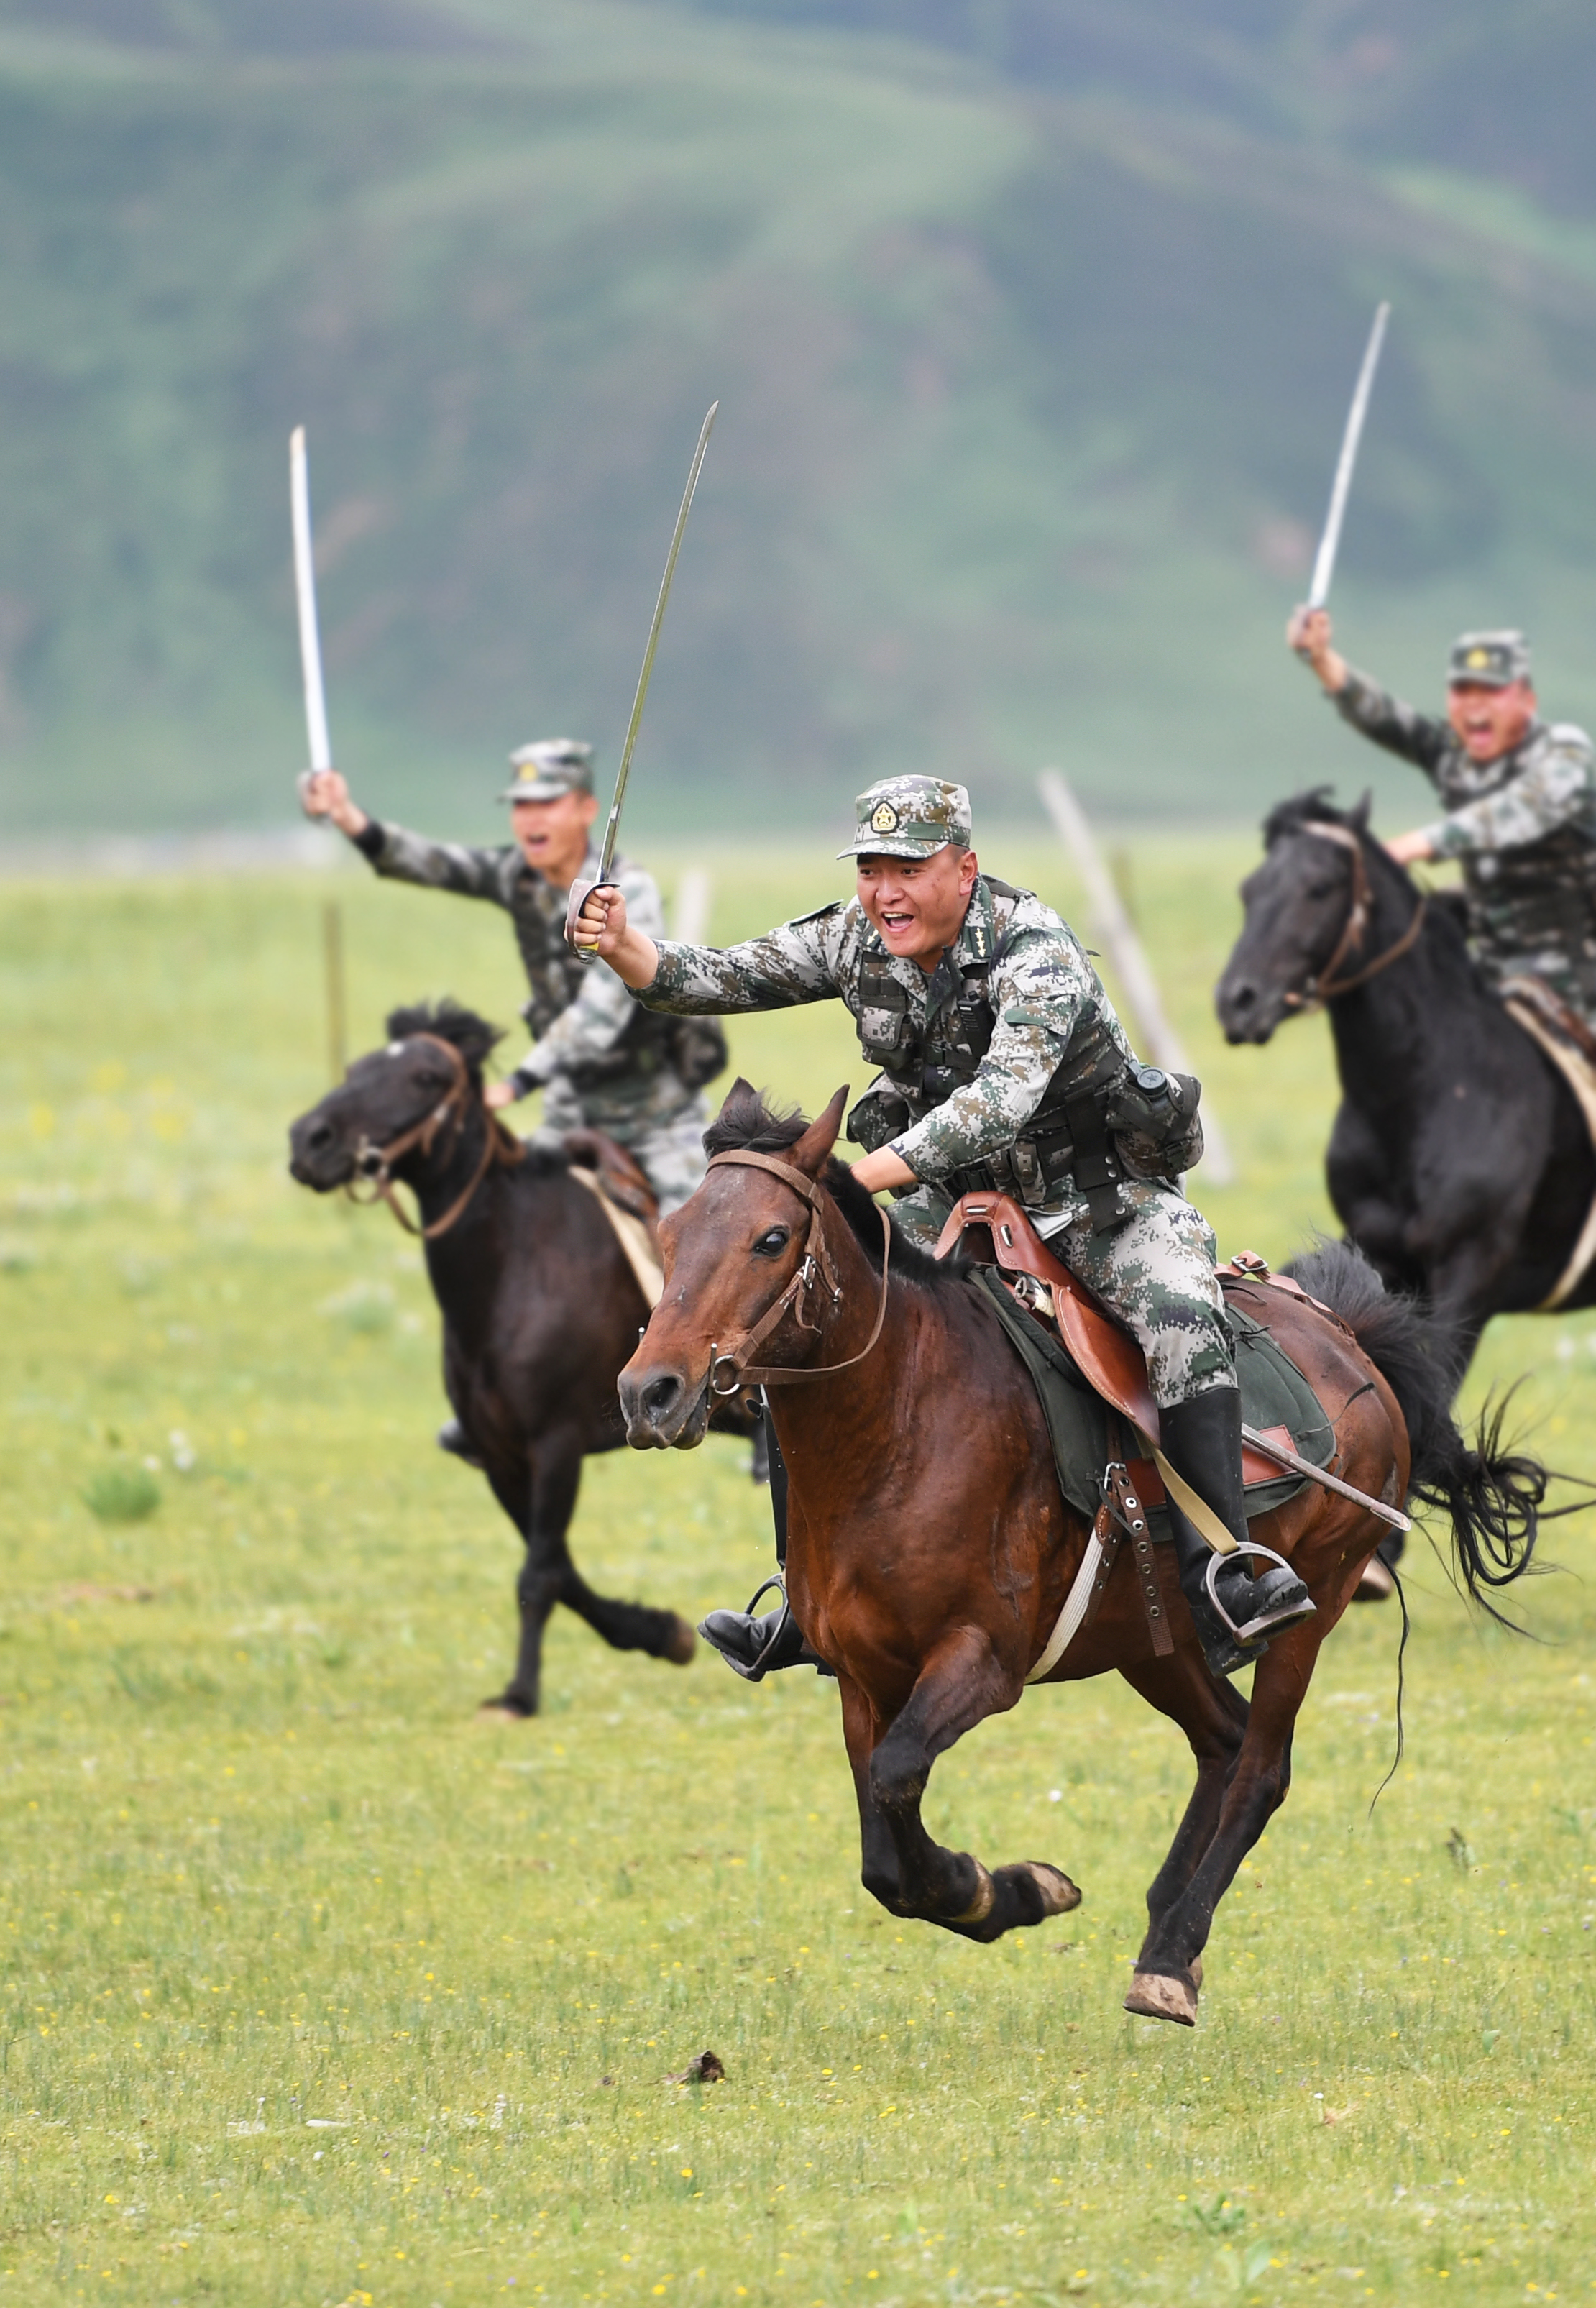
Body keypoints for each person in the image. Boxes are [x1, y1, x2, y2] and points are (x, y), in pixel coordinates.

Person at [574, 773, 1316, 1683]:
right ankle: (802, 1598)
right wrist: (622, 947)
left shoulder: (1033, 950)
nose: (886, 892)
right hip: (952, 1201)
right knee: (807, 1315)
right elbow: (713, 978)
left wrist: (846, 1182)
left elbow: (999, 1104)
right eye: (871, 869)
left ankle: (1225, 1570)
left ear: (964, 869)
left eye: (910, 869)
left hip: (1099, 1195)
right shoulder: (855, 936)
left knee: (1179, 1321)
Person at [302, 740, 726, 1456]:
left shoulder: (627, 887)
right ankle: (495, 1396)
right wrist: (349, 819)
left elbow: (602, 1009)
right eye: (521, 805)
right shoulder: (515, 875)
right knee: (514, 1224)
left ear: (586, 810)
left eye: (547, 803)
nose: (531, 819)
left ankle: (750, 1403)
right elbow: (428, 861)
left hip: (655, 1107)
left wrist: (522, 1079)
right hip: (569, 1106)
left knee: (704, 1242)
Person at [1288, 610, 1596, 1018]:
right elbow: (1385, 717)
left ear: (1528, 700)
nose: (1474, 705)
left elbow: (1520, 809)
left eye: (1492, 691)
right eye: (1462, 691)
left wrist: (1417, 845)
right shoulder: (1455, 756)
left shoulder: (1565, 752)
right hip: (1494, 988)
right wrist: (1322, 659)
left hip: (1582, 994)